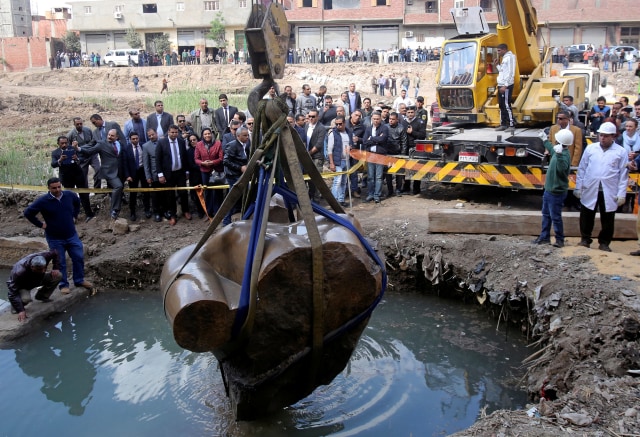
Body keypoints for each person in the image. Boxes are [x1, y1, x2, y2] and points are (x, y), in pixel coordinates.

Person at [23, 177, 94, 298]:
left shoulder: (69, 195)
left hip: (71, 235)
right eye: (54, 188)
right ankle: (63, 284)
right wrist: (41, 225)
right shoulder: (43, 201)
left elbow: (77, 202)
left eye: (59, 187)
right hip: (55, 238)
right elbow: (28, 213)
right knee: (60, 262)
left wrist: (74, 215)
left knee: (78, 257)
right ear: (49, 188)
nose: (57, 190)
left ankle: (79, 280)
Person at [574, 122, 629, 252]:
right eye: (601, 135)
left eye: (606, 136)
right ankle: (585, 239)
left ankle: (604, 242)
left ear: (613, 137)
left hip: (609, 190)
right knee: (587, 214)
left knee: (608, 217)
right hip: (590, 187)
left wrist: (622, 193)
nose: (602, 138)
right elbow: (582, 168)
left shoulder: (621, 152)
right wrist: (578, 186)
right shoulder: (591, 148)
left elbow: (623, 174)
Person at [532, 130, 573, 248]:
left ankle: (560, 240)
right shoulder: (558, 151)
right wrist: (544, 140)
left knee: (555, 217)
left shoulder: (564, 155)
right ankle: (544, 237)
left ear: (559, 141)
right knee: (546, 214)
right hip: (549, 190)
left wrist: (559, 156)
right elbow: (551, 148)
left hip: (556, 192)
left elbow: (562, 170)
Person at [78, 128, 126, 219]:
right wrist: (78, 148)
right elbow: (90, 151)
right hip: (109, 172)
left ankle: (113, 212)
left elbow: (123, 159)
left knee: (116, 190)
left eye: (112, 136)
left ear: (117, 137)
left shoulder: (120, 144)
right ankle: (115, 210)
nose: (109, 137)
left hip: (120, 172)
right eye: (108, 135)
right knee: (118, 186)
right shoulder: (101, 144)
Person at [7, 251, 61, 322]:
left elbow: (56, 253)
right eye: (39, 269)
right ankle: (15, 307)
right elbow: (12, 293)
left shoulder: (45, 256)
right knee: (26, 299)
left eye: (44, 268)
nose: (42, 271)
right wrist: (21, 310)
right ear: (32, 267)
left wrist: (55, 267)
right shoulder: (19, 272)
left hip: (37, 279)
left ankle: (42, 296)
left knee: (58, 276)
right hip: (23, 285)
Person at [51, 135, 94, 221]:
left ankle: (89, 214)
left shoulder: (73, 149)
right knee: (68, 196)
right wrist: (60, 160)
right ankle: (72, 215)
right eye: (62, 143)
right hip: (66, 177)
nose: (64, 145)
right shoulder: (55, 153)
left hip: (78, 175)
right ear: (58, 144)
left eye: (65, 143)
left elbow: (83, 157)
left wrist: (77, 158)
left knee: (84, 195)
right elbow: (53, 164)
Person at [156, 124, 190, 225]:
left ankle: (185, 211)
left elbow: (184, 157)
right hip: (168, 174)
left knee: (183, 193)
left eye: (176, 132)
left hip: (180, 172)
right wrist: (160, 175)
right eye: (172, 132)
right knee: (170, 195)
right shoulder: (162, 142)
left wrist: (187, 171)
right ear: (168, 132)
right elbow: (158, 160)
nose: (174, 134)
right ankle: (173, 215)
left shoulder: (181, 141)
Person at [223, 126, 251, 225]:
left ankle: (246, 217)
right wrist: (240, 168)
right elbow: (226, 161)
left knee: (246, 196)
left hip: (242, 176)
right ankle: (226, 221)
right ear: (238, 136)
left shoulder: (246, 144)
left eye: (247, 135)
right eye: (245, 135)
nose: (247, 137)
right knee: (232, 198)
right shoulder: (232, 145)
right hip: (233, 176)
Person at [194, 128, 224, 218]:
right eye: (205, 134)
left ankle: (217, 211)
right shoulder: (199, 145)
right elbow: (196, 159)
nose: (207, 135)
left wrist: (213, 162)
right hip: (205, 171)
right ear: (202, 136)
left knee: (218, 192)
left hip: (216, 171)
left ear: (212, 134)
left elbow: (221, 157)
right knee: (207, 192)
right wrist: (203, 163)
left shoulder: (218, 143)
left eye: (209, 133)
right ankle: (209, 212)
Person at [121, 132, 151, 221]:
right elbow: (125, 163)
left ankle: (147, 210)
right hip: (133, 173)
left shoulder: (143, 146)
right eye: (133, 139)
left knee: (146, 191)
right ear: (130, 139)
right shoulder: (127, 148)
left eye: (136, 138)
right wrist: (127, 175)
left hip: (143, 171)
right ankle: (132, 212)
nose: (135, 140)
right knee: (133, 193)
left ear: (139, 138)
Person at [67, 117, 101, 190]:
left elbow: (94, 141)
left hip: (92, 155)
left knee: (98, 169)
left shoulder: (88, 130)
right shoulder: (70, 135)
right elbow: (69, 148)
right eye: (77, 124)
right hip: (82, 157)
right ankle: (85, 192)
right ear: (74, 124)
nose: (79, 125)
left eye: (81, 124)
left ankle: (97, 189)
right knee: (82, 175)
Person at [363, 111, 389, 203]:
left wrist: (372, 138)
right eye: (374, 119)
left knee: (378, 176)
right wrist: (377, 139)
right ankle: (370, 194)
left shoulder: (384, 128)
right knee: (370, 176)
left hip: (380, 155)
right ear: (371, 119)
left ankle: (377, 195)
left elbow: (383, 139)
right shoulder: (368, 129)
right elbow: (365, 141)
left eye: (378, 119)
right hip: (370, 155)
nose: (376, 120)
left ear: (380, 119)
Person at [327, 115, 352, 206]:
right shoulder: (333, 134)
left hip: (347, 160)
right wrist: (331, 163)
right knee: (337, 181)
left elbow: (351, 144)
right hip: (337, 161)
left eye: (340, 124)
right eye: (336, 124)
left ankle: (341, 200)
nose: (338, 126)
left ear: (344, 123)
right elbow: (330, 150)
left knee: (344, 181)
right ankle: (334, 202)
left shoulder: (349, 132)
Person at [305, 109, 326, 201]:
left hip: (316, 157)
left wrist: (308, 153)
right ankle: (311, 196)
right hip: (306, 157)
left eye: (313, 116)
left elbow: (319, 144)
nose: (311, 118)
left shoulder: (321, 128)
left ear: (317, 117)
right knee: (308, 179)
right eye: (309, 116)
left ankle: (316, 199)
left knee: (317, 179)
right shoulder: (306, 126)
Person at [142, 128, 163, 222]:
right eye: (149, 136)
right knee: (155, 195)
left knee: (166, 194)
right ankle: (157, 213)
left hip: (164, 173)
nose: (151, 137)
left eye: (152, 134)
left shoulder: (163, 142)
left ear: (156, 133)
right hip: (154, 175)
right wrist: (148, 176)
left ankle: (166, 211)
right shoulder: (146, 146)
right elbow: (146, 164)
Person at [494, 43, 516, 130]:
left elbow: (511, 72)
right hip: (501, 84)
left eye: (499, 51)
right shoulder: (504, 58)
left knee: (507, 104)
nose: (498, 52)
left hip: (506, 85)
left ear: (504, 49)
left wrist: (506, 85)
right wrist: (497, 65)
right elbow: (502, 71)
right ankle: (503, 124)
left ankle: (511, 124)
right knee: (501, 105)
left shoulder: (510, 57)